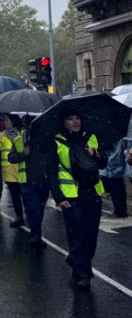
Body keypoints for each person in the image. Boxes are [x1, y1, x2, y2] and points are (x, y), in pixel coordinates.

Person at [46, 107, 107, 290]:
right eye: (70, 118)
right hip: (71, 197)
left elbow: (103, 162)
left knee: (91, 237)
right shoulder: (57, 141)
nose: (75, 121)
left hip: (92, 194)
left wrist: (95, 153)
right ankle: (84, 276)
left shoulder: (91, 138)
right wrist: (58, 196)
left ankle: (75, 259)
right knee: (77, 236)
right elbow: (51, 171)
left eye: (77, 118)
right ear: (63, 122)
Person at [8, 115, 49, 251]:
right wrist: (22, 154)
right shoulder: (20, 140)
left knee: (40, 209)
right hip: (27, 180)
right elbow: (11, 157)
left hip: (43, 179)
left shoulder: (45, 139)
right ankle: (35, 235)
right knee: (32, 208)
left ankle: (36, 231)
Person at [0, 115, 25, 228]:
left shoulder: (23, 133)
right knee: (15, 195)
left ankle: (27, 212)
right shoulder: (3, 134)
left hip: (21, 169)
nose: (5, 123)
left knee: (25, 194)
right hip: (8, 169)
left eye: (7, 120)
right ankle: (19, 216)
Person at [101, 137, 132, 219]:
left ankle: (120, 211)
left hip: (117, 166)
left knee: (117, 188)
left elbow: (128, 147)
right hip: (108, 166)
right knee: (113, 188)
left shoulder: (123, 137)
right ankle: (120, 211)